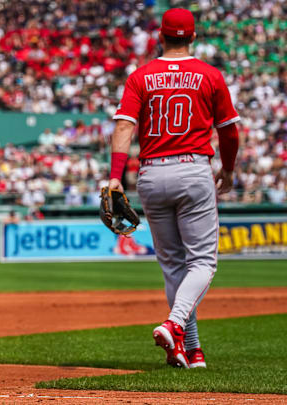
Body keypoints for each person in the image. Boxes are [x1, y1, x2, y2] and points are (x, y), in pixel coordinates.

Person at [109, 8, 240, 369]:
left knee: (173, 267)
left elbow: (123, 128)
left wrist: (115, 175)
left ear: (161, 36)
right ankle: (174, 323)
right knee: (202, 262)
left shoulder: (141, 76)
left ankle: (191, 350)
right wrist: (228, 171)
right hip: (192, 169)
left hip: (151, 173)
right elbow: (229, 131)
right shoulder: (209, 75)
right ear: (193, 37)